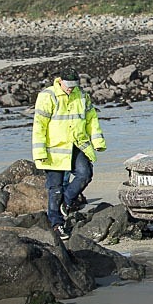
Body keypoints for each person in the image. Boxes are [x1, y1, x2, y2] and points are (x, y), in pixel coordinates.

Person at [32, 68, 106, 240]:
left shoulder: (81, 95)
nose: (71, 89)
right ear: (60, 81)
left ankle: (66, 202)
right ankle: (57, 225)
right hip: (54, 150)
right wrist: (40, 152)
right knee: (55, 188)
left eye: (74, 85)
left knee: (85, 174)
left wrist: (98, 142)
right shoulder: (47, 96)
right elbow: (39, 126)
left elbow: (91, 120)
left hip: (76, 145)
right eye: (68, 85)